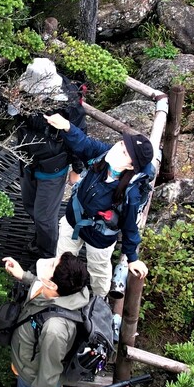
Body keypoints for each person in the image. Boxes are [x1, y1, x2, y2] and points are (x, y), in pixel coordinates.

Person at [43, 112, 153, 297]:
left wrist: (132, 259)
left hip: (100, 236)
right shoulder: (103, 155)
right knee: (62, 260)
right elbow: (84, 144)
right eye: (121, 144)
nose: (118, 149)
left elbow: (129, 227)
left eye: (125, 153)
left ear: (130, 166)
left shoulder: (130, 194)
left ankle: (98, 300)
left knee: (98, 270)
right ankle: (61, 291)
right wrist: (67, 127)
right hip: (74, 220)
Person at [11, 58, 86, 258]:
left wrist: (77, 169)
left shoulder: (68, 103)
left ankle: (47, 253)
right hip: (27, 159)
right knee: (29, 205)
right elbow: (13, 115)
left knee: (44, 217)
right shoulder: (23, 92)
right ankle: (43, 237)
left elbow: (80, 136)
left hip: (53, 166)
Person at [2, 252, 90, 387]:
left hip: (32, 377)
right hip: (38, 359)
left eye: (52, 265)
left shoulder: (54, 329)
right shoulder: (68, 289)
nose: (48, 262)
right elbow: (44, 283)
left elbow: (49, 370)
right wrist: (24, 276)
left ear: (53, 285)